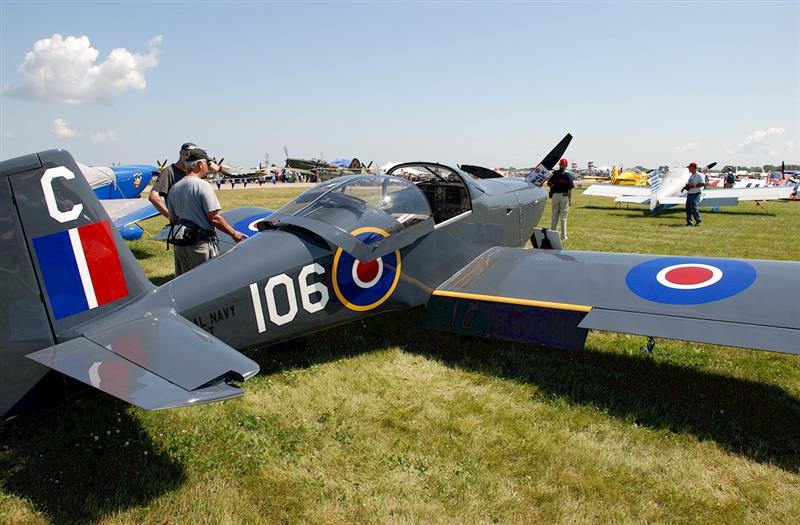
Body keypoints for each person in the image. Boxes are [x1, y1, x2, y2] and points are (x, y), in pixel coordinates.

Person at [168, 148, 246, 275]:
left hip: (180, 246)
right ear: (199, 165)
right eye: (206, 164)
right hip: (200, 246)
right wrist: (233, 233)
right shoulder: (203, 186)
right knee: (207, 281)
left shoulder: (174, 188)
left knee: (184, 286)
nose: (208, 168)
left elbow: (172, 219)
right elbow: (214, 218)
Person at [148, 142, 196, 218]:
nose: (188, 157)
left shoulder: (194, 172)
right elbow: (153, 196)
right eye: (186, 154)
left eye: (192, 156)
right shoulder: (169, 172)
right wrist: (170, 216)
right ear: (180, 153)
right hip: (181, 223)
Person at [546, 158, 574, 240]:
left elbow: (549, 184)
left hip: (555, 196)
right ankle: (563, 236)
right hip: (564, 196)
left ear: (559, 165)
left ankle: (552, 234)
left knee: (554, 216)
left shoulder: (554, 174)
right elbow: (569, 189)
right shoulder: (568, 175)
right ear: (566, 165)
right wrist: (570, 200)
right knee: (563, 217)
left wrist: (553, 188)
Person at [681, 161, 705, 226]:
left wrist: (694, 185)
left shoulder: (698, 175)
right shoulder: (691, 176)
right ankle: (689, 222)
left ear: (694, 168)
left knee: (693, 206)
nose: (689, 169)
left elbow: (703, 184)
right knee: (688, 208)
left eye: (690, 168)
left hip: (696, 193)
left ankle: (698, 221)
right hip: (690, 193)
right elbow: (689, 185)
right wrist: (685, 187)